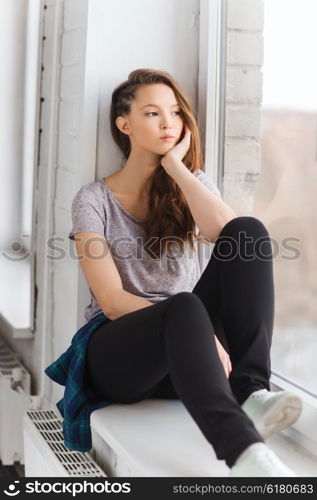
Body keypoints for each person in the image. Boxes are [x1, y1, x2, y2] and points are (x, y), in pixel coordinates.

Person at [58, 69, 304, 476]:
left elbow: (235, 238)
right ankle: (247, 456)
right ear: (125, 124)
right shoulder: (93, 199)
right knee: (185, 307)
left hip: (190, 360)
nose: (168, 122)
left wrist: (177, 169)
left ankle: (251, 392)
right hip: (124, 356)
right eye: (152, 113)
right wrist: (205, 334)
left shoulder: (191, 183)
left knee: (249, 231)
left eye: (175, 112)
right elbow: (113, 302)